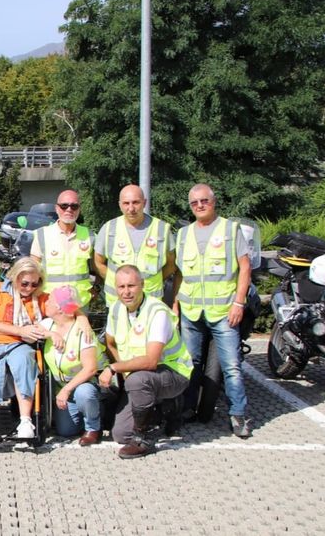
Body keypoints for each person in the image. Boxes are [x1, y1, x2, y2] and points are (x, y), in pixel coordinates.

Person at [173, 184, 253, 438]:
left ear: (213, 202)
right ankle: (188, 409)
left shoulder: (230, 229)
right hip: (191, 311)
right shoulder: (183, 234)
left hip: (223, 311)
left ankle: (237, 414)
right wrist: (175, 302)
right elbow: (179, 274)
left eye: (204, 200)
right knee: (190, 364)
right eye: (194, 202)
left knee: (232, 366)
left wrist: (239, 302)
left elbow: (245, 267)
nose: (199, 205)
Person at [100, 266, 192, 458]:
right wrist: (124, 372)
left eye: (131, 286)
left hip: (174, 372)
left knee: (137, 381)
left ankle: (143, 439)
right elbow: (110, 343)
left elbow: (151, 361)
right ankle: (163, 410)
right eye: (121, 287)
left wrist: (114, 368)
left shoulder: (157, 311)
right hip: (140, 377)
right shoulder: (116, 309)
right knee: (121, 434)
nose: (126, 292)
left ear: (142, 285)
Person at [0, 256, 50, 439]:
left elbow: (65, 311)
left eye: (34, 284)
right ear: (15, 277)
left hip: (19, 343)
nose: (29, 288)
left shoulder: (40, 297)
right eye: (24, 284)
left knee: (24, 362)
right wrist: (20, 330)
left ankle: (25, 420)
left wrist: (82, 320)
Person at [42, 285, 105, 446]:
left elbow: (90, 368)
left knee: (84, 393)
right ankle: (87, 414)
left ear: (60, 308)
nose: (46, 302)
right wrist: (51, 334)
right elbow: (29, 331)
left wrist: (66, 390)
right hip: (63, 387)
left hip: (87, 384)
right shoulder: (48, 324)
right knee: (66, 431)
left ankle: (93, 427)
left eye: (50, 300)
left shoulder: (82, 331)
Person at [94, 184, 176, 307]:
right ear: (120, 205)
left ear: (144, 203)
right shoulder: (109, 229)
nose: (131, 208)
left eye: (136, 202)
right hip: (118, 304)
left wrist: (153, 280)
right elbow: (98, 263)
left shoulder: (162, 229)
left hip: (150, 304)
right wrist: (118, 282)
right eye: (126, 203)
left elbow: (171, 265)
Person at [31, 189, 95, 309]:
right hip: (50, 302)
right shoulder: (41, 235)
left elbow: (97, 268)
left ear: (79, 209)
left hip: (80, 302)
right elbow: (32, 270)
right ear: (57, 208)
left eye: (74, 206)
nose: (69, 209)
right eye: (64, 206)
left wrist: (94, 289)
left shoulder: (90, 236)